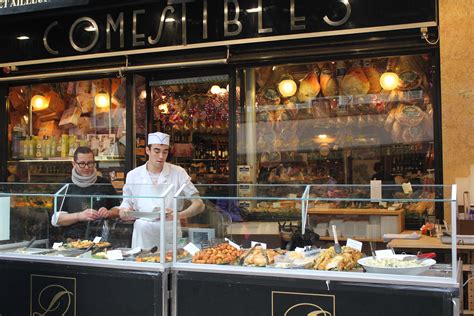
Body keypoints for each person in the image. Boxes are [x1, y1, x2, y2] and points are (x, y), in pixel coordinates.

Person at [119, 132, 205, 249]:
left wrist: (179, 215)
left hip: (169, 231)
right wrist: (124, 212)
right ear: (147, 150)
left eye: (165, 152)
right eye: (156, 151)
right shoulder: (133, 175)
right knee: (143, 264)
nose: (161, 156)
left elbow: (199, 204)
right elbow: (126, 203)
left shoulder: (178, 172)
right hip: (144, 234)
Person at [51, 146, 119, 240]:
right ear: (74, 164)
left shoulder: (104, 183)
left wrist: (109, 212)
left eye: (90, 163)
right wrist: (79, 216)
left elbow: (118, 209)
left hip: (100, 238)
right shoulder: (66, 186)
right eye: (82, 164)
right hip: (71, 239)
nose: (87, 167)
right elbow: (56, 219)